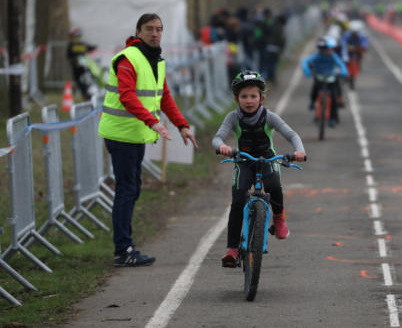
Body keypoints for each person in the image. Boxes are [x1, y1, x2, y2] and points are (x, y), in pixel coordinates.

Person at [98, 13, 198, 267]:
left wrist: (182, 125)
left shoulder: (156, 60)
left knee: (132, 190)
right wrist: (153, 122)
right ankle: (123, 250)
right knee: (126, 190)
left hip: (136, 134)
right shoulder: (128, 59)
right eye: (149, 29)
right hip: (121, 134)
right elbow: (127, 96)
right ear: (138, 31)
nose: (155, 33)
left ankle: (125, 245)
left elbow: (164, 96)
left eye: (159, 29)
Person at [212, 70, 306, 267]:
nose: (249, 100)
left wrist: (299, 151)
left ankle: (279, 219)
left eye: (253, 96)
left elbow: (292, 135)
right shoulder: (233, 117)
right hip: (244, 161)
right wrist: (222, 146)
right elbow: (217, 137)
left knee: (274, 186)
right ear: (237, 98)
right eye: (244, 96)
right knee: (238, 200)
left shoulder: (269, 117)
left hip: (267, 159)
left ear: (261, 98)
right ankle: (233, 248)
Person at [301, 37, 348, 127]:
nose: (329, 51)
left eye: (331, 49)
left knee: (334, 98)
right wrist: (306, 69)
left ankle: (332, 118)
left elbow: (341, 64)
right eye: (327, 49)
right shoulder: (317, 55)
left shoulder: (333, 56)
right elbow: (305, 61)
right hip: (319, 77)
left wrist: (343, 71)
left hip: (330, 78)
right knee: (315, 90)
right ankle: (312, 102)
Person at [67, 28, 96, 100]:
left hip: (76, 67)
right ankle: (87, 94)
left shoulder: (71, 45)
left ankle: (86, 94)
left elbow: (68, 56)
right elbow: (91, 48)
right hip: (83, 67)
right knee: (85, 81)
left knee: (79, 82)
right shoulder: (82, 44)